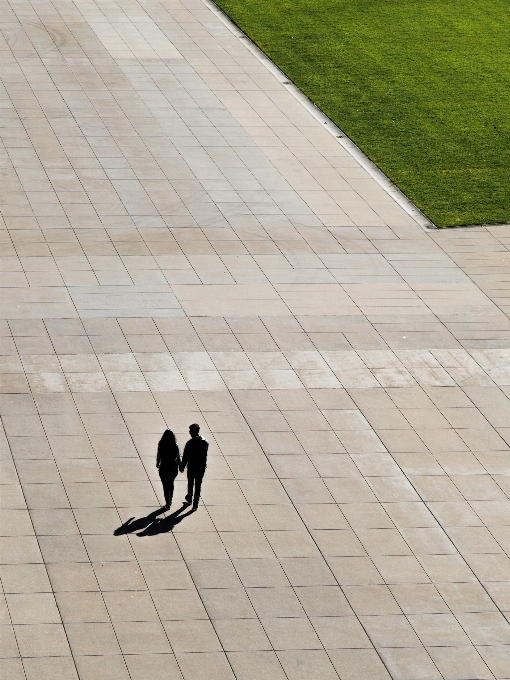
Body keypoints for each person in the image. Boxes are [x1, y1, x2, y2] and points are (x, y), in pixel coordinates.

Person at [180, 423, 208, 510]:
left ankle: (189, 498)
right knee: (198, 485)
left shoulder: (190, 443)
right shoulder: (205, 442)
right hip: (201, 467)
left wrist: (182, 466)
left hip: (192, 466)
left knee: (190, 483)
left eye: (190, 431)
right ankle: (195, 504)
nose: (189, 432)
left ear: (193, 432)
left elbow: (185, 456)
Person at [156, 430, 181, 510]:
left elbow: (158, 455)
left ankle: (167, 502)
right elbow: (178, 457)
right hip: (173, 467)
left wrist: (157, 463)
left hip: (163, 467)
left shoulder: (161, 444)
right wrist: (180, 466)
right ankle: (170, 500)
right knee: (171, 483)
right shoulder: (175, 445)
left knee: (165, 485)